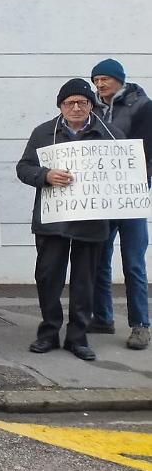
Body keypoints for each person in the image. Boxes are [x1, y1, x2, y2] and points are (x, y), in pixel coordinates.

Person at [17, 78, 119, 361]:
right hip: (53, 221)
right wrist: (45, 176)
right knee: (48, 277)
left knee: (85, 281)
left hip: (92, 221)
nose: (76, 107)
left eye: (82, 102)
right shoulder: (42, 133)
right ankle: (48, 332)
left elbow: (127, 170)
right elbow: (24, 168)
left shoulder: (111, 134)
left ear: (91, 105)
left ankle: (78, 337)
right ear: (60, 105)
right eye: (69, 103)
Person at [89, 58, 151, 350]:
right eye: (96, 80)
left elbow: (146, 149)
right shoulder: (92, 108)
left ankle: (141, 325)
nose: (100, 85)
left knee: (133, 261)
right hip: (103, 193)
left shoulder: (142, 106)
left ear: (119, 80)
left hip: (131, 193)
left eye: (105, 79)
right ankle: (102, 317)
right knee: (100, 256)